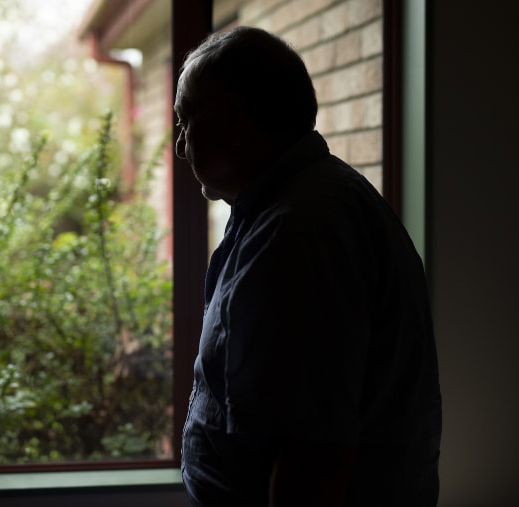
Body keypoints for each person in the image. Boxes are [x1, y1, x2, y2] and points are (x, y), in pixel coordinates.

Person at [174, 26, 442, 506]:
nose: (179, 147)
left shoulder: (298, 233)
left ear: (234, 120)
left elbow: (311, 458)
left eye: (186, 121)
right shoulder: (295, 209)